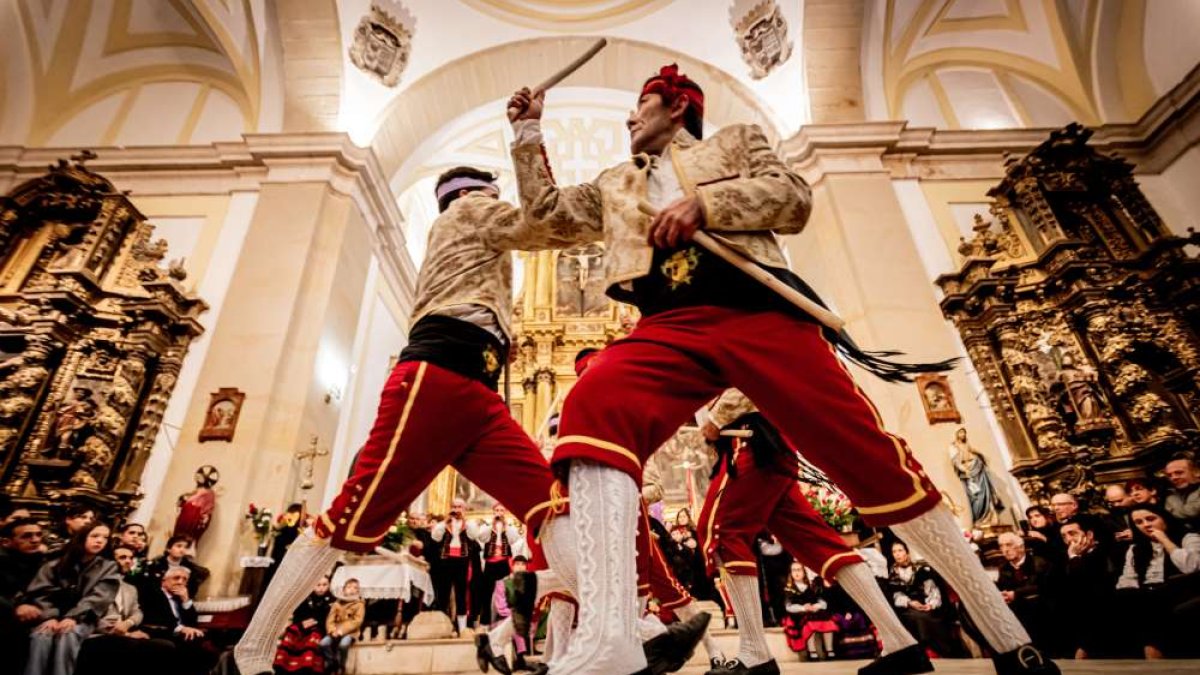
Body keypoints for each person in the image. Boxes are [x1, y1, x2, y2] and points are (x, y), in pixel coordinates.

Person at [506, 64, 1053, 675]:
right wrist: (528, 133)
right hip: (669, 321)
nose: (630, 118)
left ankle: (1008, 637)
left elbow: (793, 198)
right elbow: (547, 216)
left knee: (866, 453)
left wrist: (705, 204)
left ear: (677, 108)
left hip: (757, 309)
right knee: (592, 403)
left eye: (642, 104)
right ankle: (611, 640)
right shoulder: (617, 183)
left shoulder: (734, 143)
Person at [694, 390, 929, 675]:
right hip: (766, 441)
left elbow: (744, 372)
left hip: (750, 438)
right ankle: (900, 642)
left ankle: (755, 653)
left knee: (720, 531)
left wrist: (717, 419)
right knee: (821, 545)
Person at [22, 521, 119, 675]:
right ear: (82, 537)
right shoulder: (55, 563)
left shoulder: (109, 567)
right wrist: (49, 616)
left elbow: (100, 596)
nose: (100, 540)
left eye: (105, 537)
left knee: (68, 633)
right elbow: (41, 592)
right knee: (41, 634)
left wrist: (74, 616)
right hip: (51, 615)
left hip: (84, 617)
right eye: (95, 536)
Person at [1114, 503, 1200, 658]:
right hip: (1146, 591)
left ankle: (1153, 656)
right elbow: (1128, 578)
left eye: (1150, 519)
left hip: (1181, 587)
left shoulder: (1188, 537)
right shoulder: (1136, 548)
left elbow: (1191, 567)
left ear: (1164, 518)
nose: (1146, 525)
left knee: (1150, 602)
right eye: (1139, 522)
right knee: (1118, 600)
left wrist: (1165, 540)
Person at [886, 541, 965, 659]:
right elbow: (896, 594)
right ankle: (924, 651)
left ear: (907, 552)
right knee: (916, 617)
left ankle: (944, 651)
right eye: (894, 552)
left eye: (900, 550)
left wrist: (930, 605)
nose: (897, 554)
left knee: (928, 616)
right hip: (907, 607)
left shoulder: (920, 569)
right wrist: (909, 602)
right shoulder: (893, 573)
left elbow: (933, 590)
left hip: (926, 603)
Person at [1058, 516, 1119, 659]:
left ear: (1089, 535)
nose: (1068, 540)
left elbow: (1086, 583)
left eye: (1072, 533)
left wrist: (1074, 557)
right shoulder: (1067, 557)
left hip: (1104, 611)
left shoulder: (1106, 552)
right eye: (1064, 536)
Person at [138, 566, 215, 675]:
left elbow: (192, 623)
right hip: (160, 632)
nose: (180, 582)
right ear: (164, 581)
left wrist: (186, 600)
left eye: (184, 579)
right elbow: (156, 619)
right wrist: (181, 628)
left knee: (205, 641)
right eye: (176, 578)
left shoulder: (179, 597)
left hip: (179, 634)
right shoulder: (153, 594)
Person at [995, 533, 1056, 653]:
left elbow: (1045, 587)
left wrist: (1016, 594)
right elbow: (1003, 589)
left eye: (1009, 545)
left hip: (1042, 616)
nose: (1005, 550)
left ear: (1021, 547)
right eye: (1001, 546)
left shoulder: (1040, 563)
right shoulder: (1003, 568)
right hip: (1018, 618)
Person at [1, 517, 46, 671]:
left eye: (39, 535)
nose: (35, 540)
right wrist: (15, 607)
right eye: (27, 536)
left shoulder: (43, 562)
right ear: (6, 542)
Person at [273, 576, 335, 675]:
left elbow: (330, 618)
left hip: (319, 627)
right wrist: (302, 623)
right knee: (292, 632)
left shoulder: (331, 601)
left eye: (324, 585)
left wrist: (316, 622)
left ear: (329, 585)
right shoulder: (306, 598)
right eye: (318, 585)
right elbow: (298, 614)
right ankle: (283, 665)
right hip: (303, 626)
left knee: (313, 637)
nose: (321, 588)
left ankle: (307, 667)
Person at [780, 563, 838, 661]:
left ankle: (829, 650)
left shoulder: (811, 587)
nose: (796, 573)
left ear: (804, 572)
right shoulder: (789, 589)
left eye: (799, 570)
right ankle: (812, 651)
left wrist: (816, 606)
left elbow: (822, 601)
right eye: (794, 570)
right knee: (809, 622)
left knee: (827, 619)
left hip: (813, 611)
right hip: (799, 614)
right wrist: (803, 608)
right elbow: (788, 607)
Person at [949, 428, 1005, 527]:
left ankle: (991, 516)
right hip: (968, 472)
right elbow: (956, 461)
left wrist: (981, 457)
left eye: (964, 433)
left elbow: (974, 451)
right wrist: (965, 470)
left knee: (987, 493)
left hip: (978, 469)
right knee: (977, 496)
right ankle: (981, 519)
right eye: (961, 432)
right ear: (957, 434)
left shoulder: (967, 445)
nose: (963, 434)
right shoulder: (954, 446)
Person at [142, 535, 209, 599]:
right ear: (168, 549)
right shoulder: (156, 565)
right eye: (179, 546)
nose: (182, 550)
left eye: (185, 547)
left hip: (180, 599)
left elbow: (192, 588)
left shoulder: (190, 568)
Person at [321, 579, 364, 675]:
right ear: (344, 590)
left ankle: (341, 665)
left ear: (358, 591)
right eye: (349, 587)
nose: (352, 590)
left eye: (355, 588)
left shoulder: (359, 604)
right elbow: (330, 619)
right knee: (323, 643)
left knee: (343, 645)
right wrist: (332, 630)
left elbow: (357, 621)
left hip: (350, 632)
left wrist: (341, 631)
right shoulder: (337, 604)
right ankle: (332, 662)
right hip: (335, 631)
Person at [1164, 453, 1200, 527]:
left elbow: (1192, 512)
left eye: (1179, 473)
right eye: (1169, 475)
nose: (1173, 478)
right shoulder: (1171, 495)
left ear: (1196, 472)